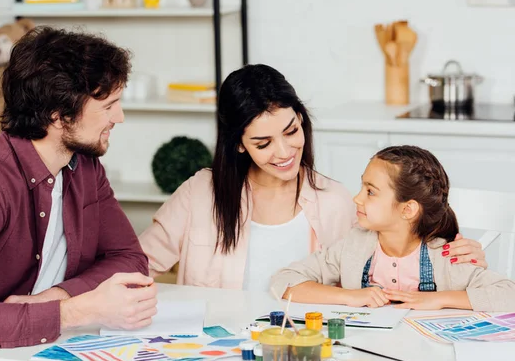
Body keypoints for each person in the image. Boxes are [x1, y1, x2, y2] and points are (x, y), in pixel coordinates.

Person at [0, 27, 157, 361]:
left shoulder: (84, 165)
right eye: (108, 106)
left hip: (34, 354)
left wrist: (55, 299)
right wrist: (79, 310)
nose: (119, 117)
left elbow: (129, 258)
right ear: (58, 115)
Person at [139, 64, 485, 291]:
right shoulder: (200, 193)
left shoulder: (336, 201)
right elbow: (137, 265)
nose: (284, 151)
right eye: (263, 143)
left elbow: (399, 260)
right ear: (239, 145)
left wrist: (461, 256)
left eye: (292, 130)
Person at [271, 145, 515, 312]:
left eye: (370, 191)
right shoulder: (354, 246)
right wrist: (351, 296)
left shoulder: (446, 256)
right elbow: (284, 281)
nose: (357, 198)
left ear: (407, 209)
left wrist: (438, 299)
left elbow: (509, 294)